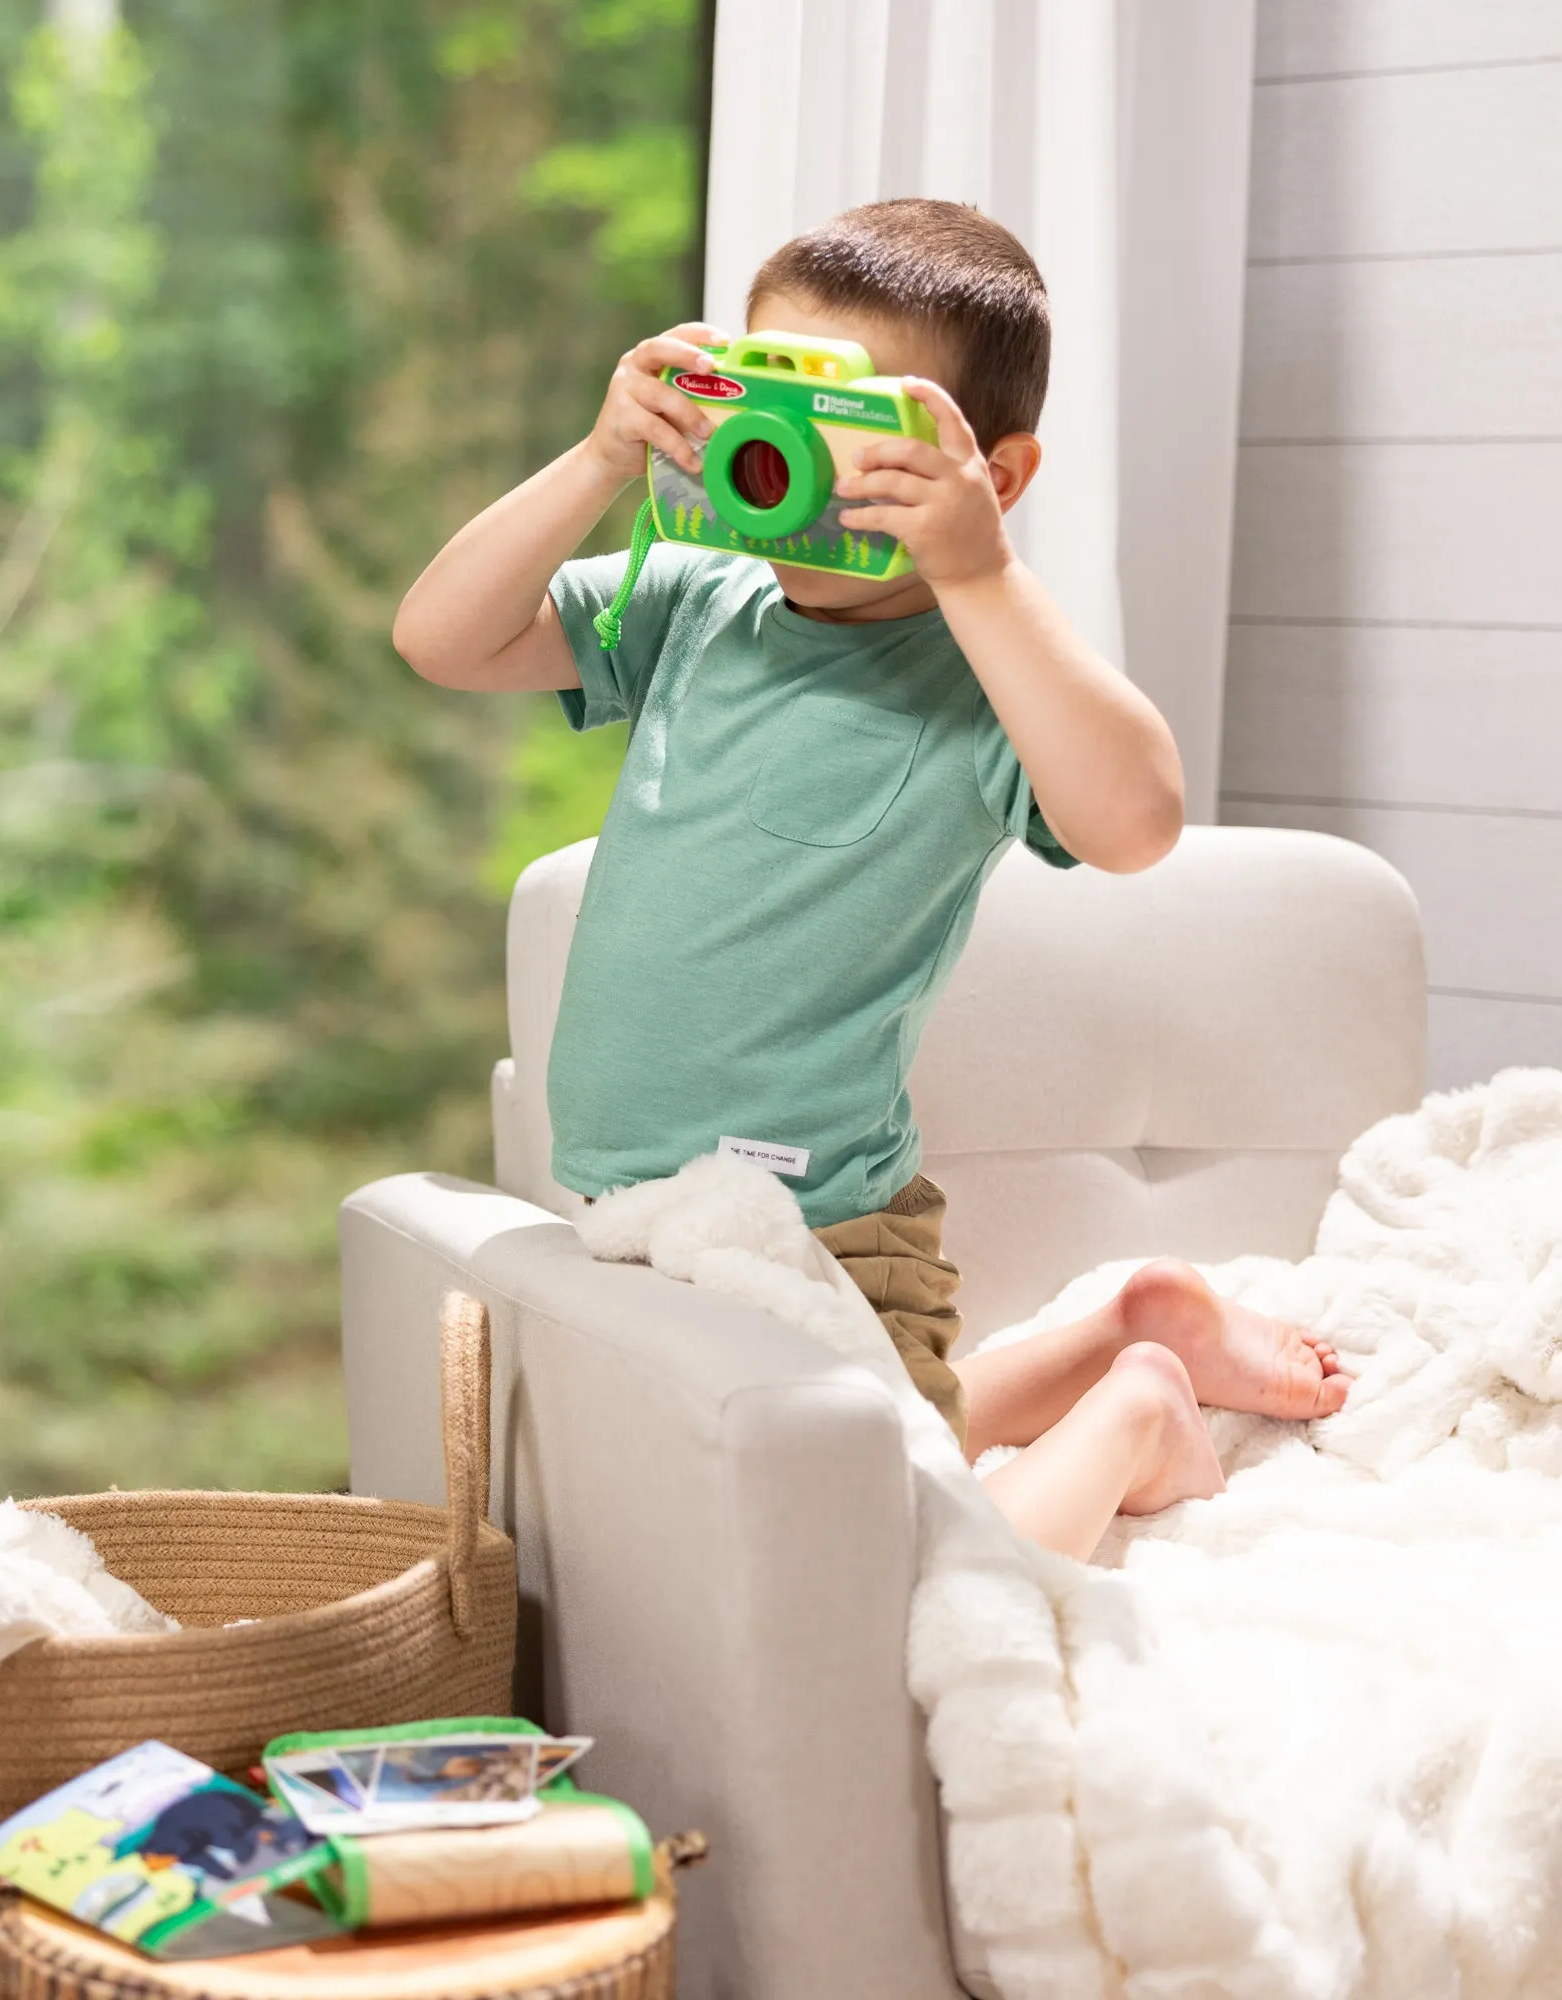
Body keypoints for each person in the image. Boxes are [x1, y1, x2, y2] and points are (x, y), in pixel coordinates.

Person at [393, 198, 1346, 1561]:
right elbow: (440, 637)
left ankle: (1138, 1405)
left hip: (824, 1232)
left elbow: (1138, 822)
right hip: (637, 1222)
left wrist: (980, 570)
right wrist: (604, 453)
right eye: (769, 404)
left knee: (880, 1565)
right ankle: (1132, 1326)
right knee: (821, 1484)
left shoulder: (978, 672)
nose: (789, 469)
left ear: (992, 474)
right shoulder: (692, 603)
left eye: (853, 440)